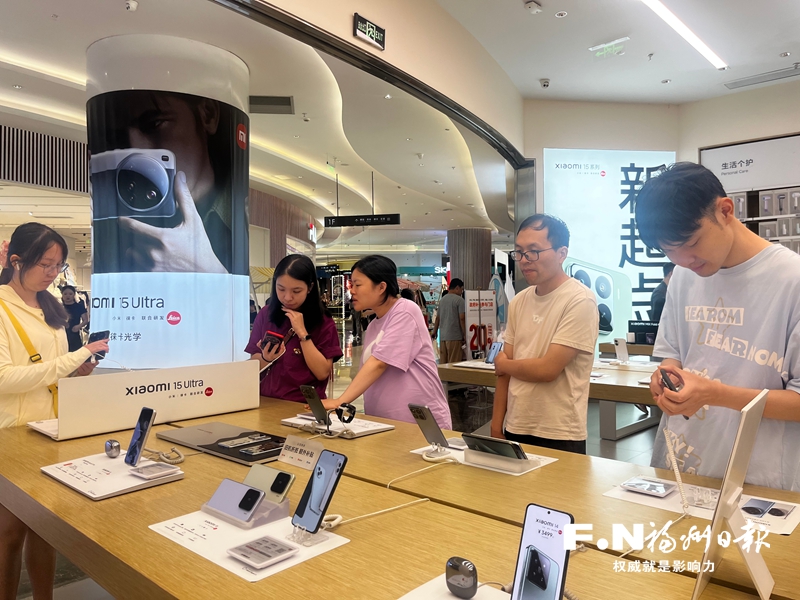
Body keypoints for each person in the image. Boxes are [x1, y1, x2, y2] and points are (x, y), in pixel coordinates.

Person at [635, 162, 800, 490]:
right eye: (669, 251)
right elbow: (673, 355)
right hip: (682, 464)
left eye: (692, 242)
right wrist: (666, 378)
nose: (683, 260)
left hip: (759, 477)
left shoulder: (791, 280)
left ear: (725, 210)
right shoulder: (684, 276)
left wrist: (716, 394)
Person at [0, 223, 109, 599]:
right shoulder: (2, 307)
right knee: (9, 534)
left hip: (51, 430)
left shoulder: (49, 307)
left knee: (44, 529)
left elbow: (51, 371)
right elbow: (4, 378)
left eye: (58, 265)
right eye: (45, 264)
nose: (52, 273)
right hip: (12, 434)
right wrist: (77, 357)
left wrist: (76, 371)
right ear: (17, 261)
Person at [89, 90, 248, 275]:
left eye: (154, 124)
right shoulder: (110, 226)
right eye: (117, 137)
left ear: (208, 114)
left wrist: (209, 271)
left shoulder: (242, 216)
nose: (136, 150)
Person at [490, 215, 598, 455]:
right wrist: (497, 426)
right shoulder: (519, 301)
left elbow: (548, 369)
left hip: (559, 430)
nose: (524, 260)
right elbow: (503, 374)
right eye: (519, 252)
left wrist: (505, 364)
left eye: (534, 251)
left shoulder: (580, 300)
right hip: (516, 423)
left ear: (562, 253)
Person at [320, 255, 452, 429]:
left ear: (381, 287)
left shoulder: (405, 311)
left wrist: (340, 401)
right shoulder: (373, 326)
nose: (352, 291)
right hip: (384, 421)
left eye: (358, 285)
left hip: (418, 423)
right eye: (352, 285)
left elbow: (379, 363)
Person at [246, 255, 342, 403]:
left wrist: (302, 333)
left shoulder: (323, 322)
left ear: (310, 288)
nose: (287, 297)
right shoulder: (266, 314)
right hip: (265, 402)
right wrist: (266, 358)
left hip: (304, 406)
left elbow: (322, 373)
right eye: (281, 289)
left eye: (296, 291)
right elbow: (253, 365)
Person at [431, 278, 465, 364]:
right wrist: (465, 334)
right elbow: (462, 318)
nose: (462, 292)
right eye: (461, 289)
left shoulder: (442, 300)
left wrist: (434, 332)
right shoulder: (460, 300)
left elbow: (438, 318)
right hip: (455, 337)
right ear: (457, 288)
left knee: (443, 364)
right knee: (454, 364)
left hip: (443, 338)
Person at [60, 285, 88, 352]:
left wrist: (79, 326)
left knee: (76, 353)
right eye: (65, 294)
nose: (68, 296)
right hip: (62, 333)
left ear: (74, 295)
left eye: (70, 294)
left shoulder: (79, 306)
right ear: (62, 295)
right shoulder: (59, 307)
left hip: (74, 333)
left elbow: (86, 320)